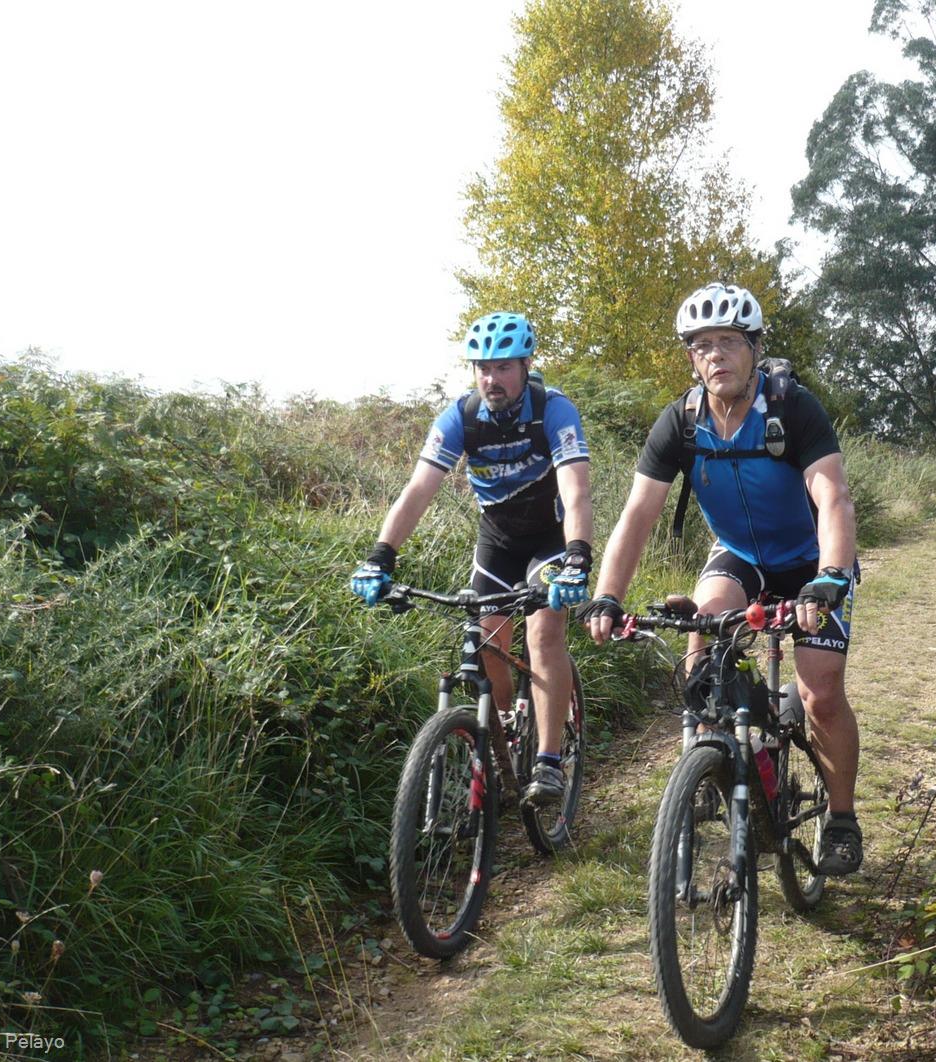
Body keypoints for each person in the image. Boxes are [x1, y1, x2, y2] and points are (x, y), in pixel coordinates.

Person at [581, 282, 863, 875]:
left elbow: (833, 496)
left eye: (728, 342)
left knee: (820, 691)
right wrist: (607, 595)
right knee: (703, 632)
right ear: (691, 356)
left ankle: (840, 818)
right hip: (740, 556)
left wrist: (831, 576)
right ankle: (712, 757)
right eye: (702, 345)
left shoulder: (792, 409)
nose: (715, 355)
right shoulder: (681, 422)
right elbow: (637, 515)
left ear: (754, 348)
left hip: (812, 561)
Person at [350, 312, 593, 807]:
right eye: (483, 367)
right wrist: (381, 556)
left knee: (543, 635)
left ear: (525, 366)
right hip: (497, 543)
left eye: (503, 367)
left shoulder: (553, 410)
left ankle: (549, 762)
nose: (491, 378)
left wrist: (577, 557)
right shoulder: (460, 418)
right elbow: (418, 490)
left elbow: (576, 492)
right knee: (485, 643)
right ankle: (505, 732)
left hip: (550, 541)